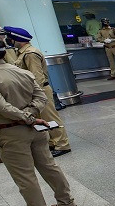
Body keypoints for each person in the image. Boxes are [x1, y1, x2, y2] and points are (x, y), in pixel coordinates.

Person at [0, 37, 78, 206]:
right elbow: (41, 98)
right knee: (49, 166)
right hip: (36, 128)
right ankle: (66, 201)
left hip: (10, 132)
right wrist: (31, 115)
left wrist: (26, 118)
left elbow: (2, 107)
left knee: (25, 176)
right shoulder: (20, 71)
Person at [5, 27, 72, 157]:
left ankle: (63, 144)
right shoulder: (22, 53)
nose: (9, 40)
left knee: (50, 117)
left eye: (10, 38)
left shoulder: (30, 54)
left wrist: (36, 95)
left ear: (18, 39)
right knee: (42, 118)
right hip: (34, 92)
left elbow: (37, 77)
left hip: (39, 91)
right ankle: (53, 142)